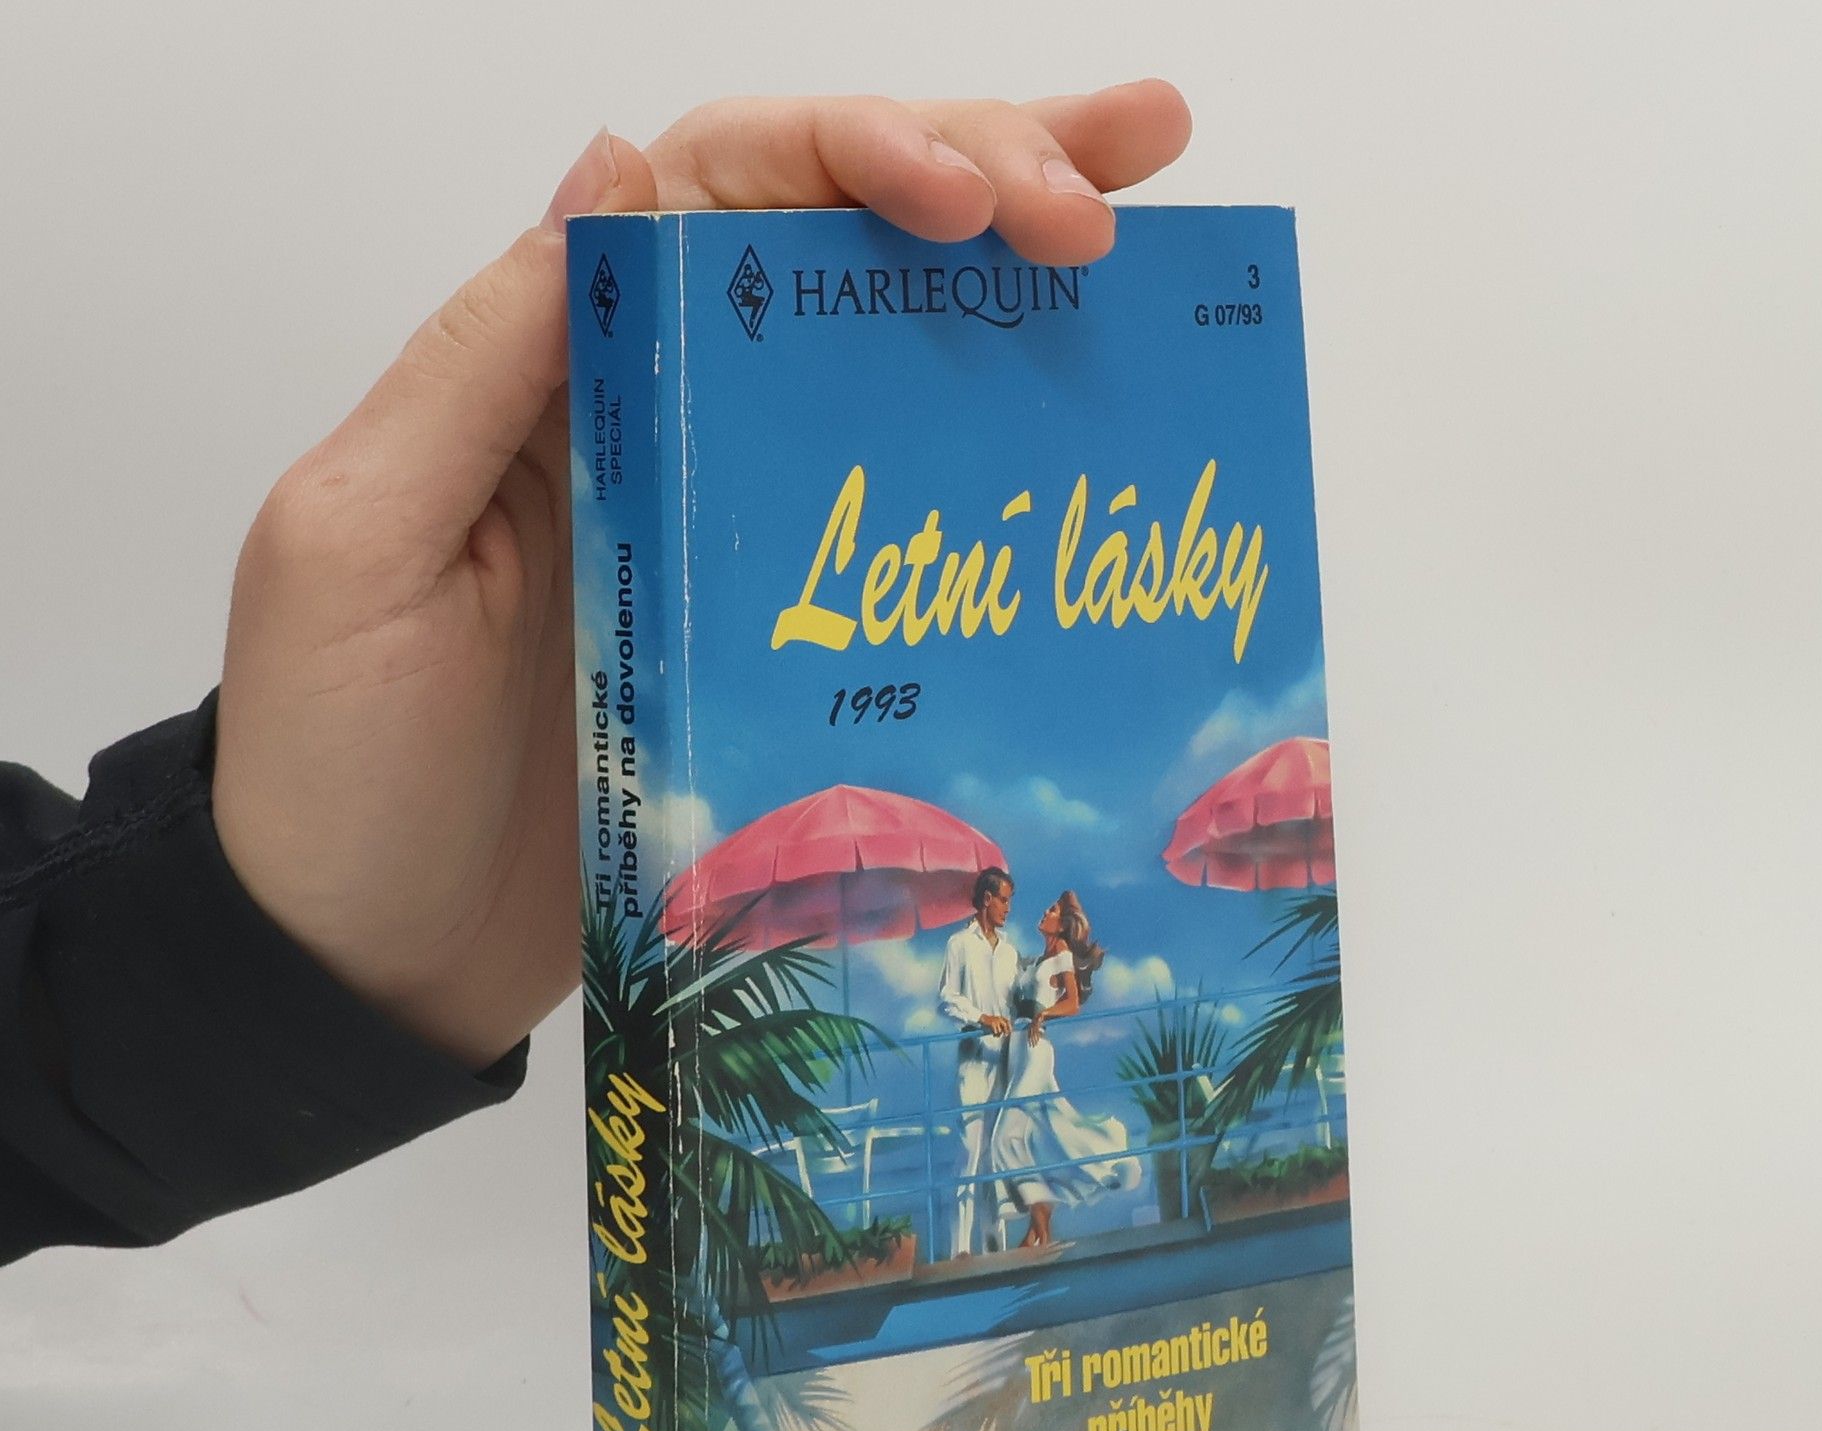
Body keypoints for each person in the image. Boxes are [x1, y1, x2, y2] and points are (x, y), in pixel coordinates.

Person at [0, 85, 1193, 1268]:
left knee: (1015, 1149)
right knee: (980, 1158)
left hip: (992, 1056)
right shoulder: (969, 951)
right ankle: (990, 1244)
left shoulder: (1007, 942)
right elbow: (963, 1003)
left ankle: (1026, 1238)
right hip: (971, 1055)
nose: (996, 905)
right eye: (996, 897)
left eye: (999, 898)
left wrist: (245, 936)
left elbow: (1043, 997)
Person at [989, 889, 1140, 1251]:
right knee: (1046, 1132)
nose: (1045, 912)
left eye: (1052, 910)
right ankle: (1035, 1231)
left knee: (1005, 1138)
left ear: (1063, 924)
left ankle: (1041, 1219)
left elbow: (1072, 1003)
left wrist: (1044, 1014)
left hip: (1035, 1050)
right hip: (1017, 1051)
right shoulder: (1040, 958)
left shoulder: (1061, 955)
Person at [935, 866, 1024, 1259]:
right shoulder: (959, 944)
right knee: (970, 1154)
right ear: (987, 899)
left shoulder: (1010, 952)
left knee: (996, 1158)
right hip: (973, 1062)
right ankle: (960, 1252)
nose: (1007, 908)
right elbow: (946, 998)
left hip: (1004, 1063)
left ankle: (994, 1249)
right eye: (1003, 900)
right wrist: (981, 1018)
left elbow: (1016, 1003)